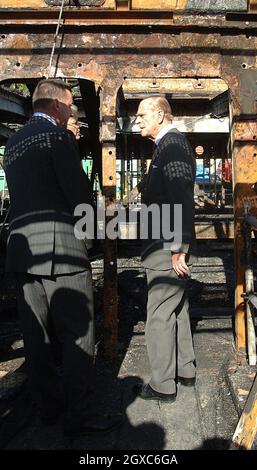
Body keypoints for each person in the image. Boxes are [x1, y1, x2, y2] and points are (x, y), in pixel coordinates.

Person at [3, 79, 121, 437]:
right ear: (56, 106)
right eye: (69, 106)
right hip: (61, 253)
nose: (71, 112)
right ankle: (79, 414)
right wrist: (97, 232)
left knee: (37, 337)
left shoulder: (12, 143)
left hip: (22, 253)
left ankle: (48, 408)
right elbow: (78, 195)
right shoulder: (57, 138)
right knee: (78, 333)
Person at [134, 96, 196, 402]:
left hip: (165, 245)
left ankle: (162, 385)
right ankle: (185, 369)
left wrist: (176, 247)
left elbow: (180, 198)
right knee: (177, 307)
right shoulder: (169, 145)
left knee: (158, 312)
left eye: (142, 115)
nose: (138, 121)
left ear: (160, 113)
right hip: (165, 243)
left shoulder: (172, 146)